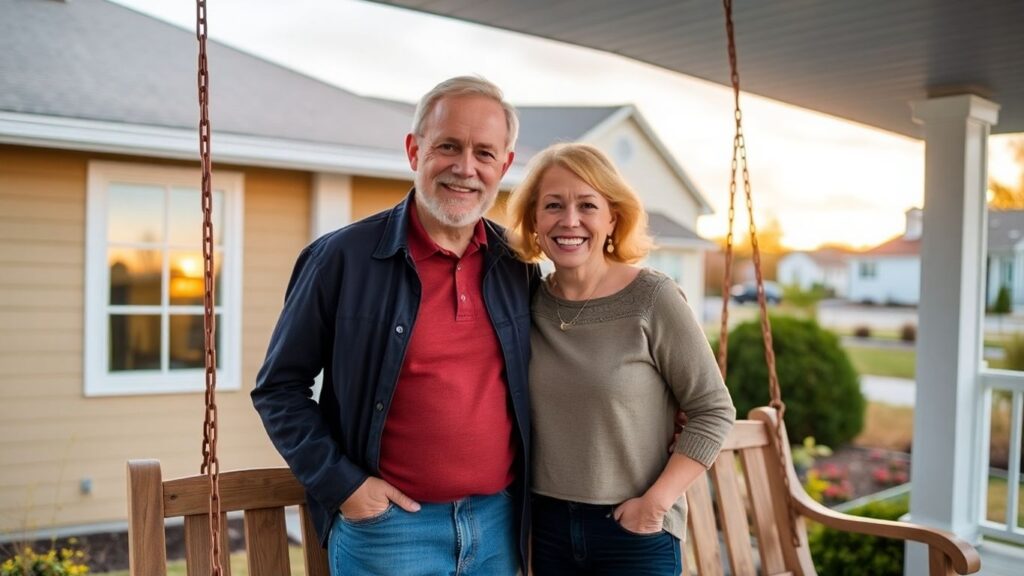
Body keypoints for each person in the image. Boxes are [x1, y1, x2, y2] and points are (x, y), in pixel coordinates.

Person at [252, 76, 538, 576]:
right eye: (448, 146)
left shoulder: (519, 265)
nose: (464, 168)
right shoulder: (341, 259)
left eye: (484, 153)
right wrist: (345, 486)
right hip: (389, 532)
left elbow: (572, 361)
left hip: (499, 527)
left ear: (505, 166)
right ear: (414, 150)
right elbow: (279, 388)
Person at [507, 143, 736, 575]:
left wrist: (656, 504)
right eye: (553, 205)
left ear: (612, 218)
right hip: (547, 527)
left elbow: (713, 410)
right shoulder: (525, 302)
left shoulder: (653, 298)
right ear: (534, 221)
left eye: (587, 205)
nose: (569, 220)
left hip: (633, 530)